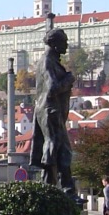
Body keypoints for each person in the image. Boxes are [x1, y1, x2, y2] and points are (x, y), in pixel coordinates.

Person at [30, 28, 76, 192]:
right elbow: (52, 89)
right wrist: (69, 79)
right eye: (64, 42)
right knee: (59, 148)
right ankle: (64, 187)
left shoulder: (50, 60)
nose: (66, 45)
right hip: (51, 111)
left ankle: (51, 186)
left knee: (59, 148)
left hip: (52, 111)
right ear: (55, 43)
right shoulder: (47, 61)